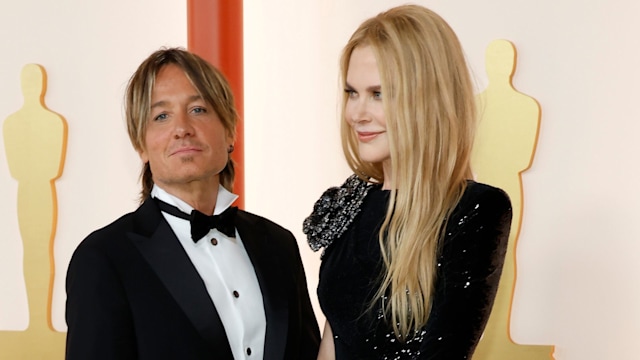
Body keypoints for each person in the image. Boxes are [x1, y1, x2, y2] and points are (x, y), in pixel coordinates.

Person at [66, 48, 320, 360]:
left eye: (198, 109)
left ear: (229, 130)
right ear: (140, 145)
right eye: (161, 116)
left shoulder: (279, 245)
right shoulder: (103, 258)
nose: (182, 128)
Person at [303, 5, 511, 359]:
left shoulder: (473, 210)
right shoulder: (349, 205)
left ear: (428, 98)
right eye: (352, 93)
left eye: (378, 94)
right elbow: (332, 340)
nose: (357, 113)